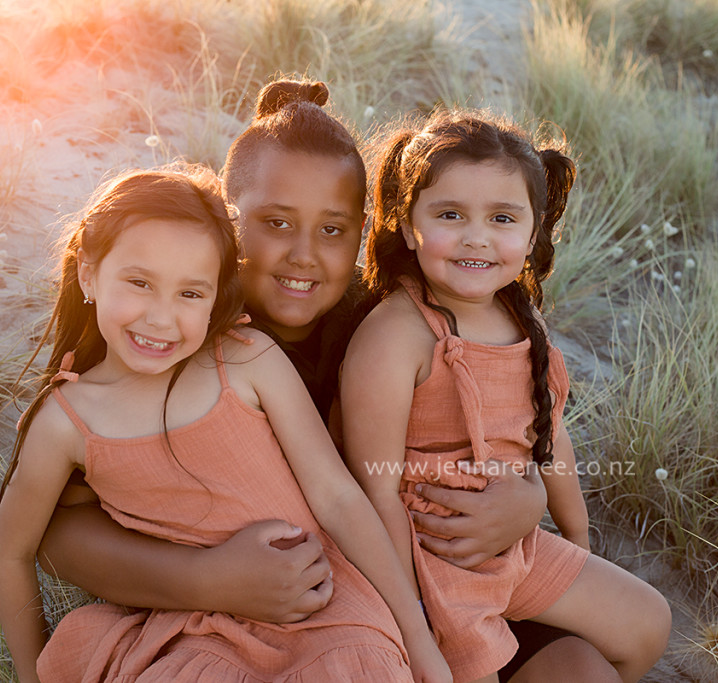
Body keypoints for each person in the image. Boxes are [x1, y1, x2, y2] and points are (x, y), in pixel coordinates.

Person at [36, 79, 617, 680]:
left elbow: (495, 424)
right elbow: (52, 535)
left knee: (586, 668)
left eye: (333, 229)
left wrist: (526, 495)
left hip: (425, 589)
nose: (304, 255)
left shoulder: (383, 328)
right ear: (226, 224)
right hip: (236, 620)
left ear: (366, 228)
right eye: (276, 223)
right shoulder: (165, 339)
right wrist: (207, 579)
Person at [0, 166, 451, 682]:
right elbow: (13, 551)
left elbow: (338, 498)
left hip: (331, 616)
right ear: (88, 274)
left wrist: (418, 638)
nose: (161, 319)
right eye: (139, 283)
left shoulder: (247, 359)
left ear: (216, 295)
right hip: (198, 638)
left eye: (190, 293)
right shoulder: (66, 423)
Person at [341, 110, 672, 683]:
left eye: (502, 218)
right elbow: (375, 487)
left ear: (534, 231)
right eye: (450, 214)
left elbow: (548, 435)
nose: (477, 236)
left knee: (648, 622)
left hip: (514, 543)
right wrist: (413, 618)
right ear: (407, 221)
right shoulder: (396, 335)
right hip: (434, 559)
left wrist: (576, 538)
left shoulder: (521, 320)